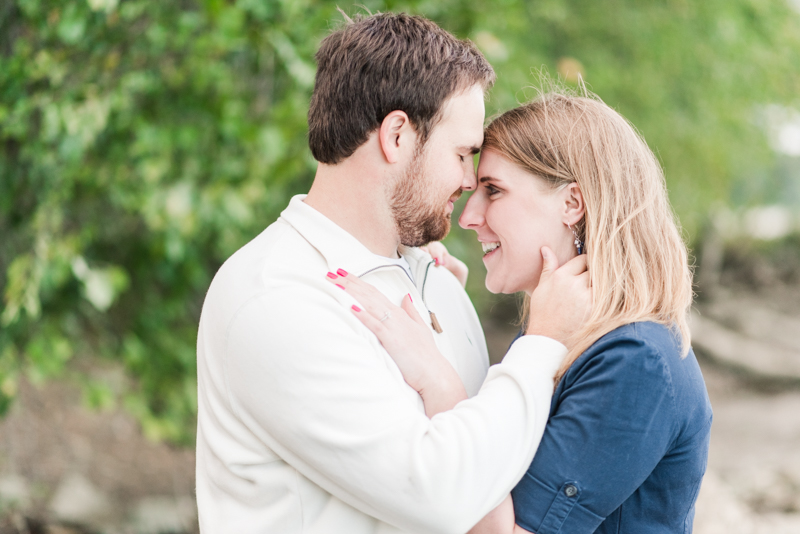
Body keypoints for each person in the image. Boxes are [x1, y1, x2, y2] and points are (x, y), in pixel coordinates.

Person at [195, 13, 591, 533]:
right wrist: (541, 347)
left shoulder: (433, 281)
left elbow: (489, 484)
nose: (471, 181)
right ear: (398, 136)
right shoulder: (276, 299)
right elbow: (440, 495)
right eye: (463, 154)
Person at [333, 88, 713, 533]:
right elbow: (495, 461)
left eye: (494, 191)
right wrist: (446, 324)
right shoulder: (569, 334)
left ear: (572, 203)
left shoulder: (634, 361)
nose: (469, 216)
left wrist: (435, 375)